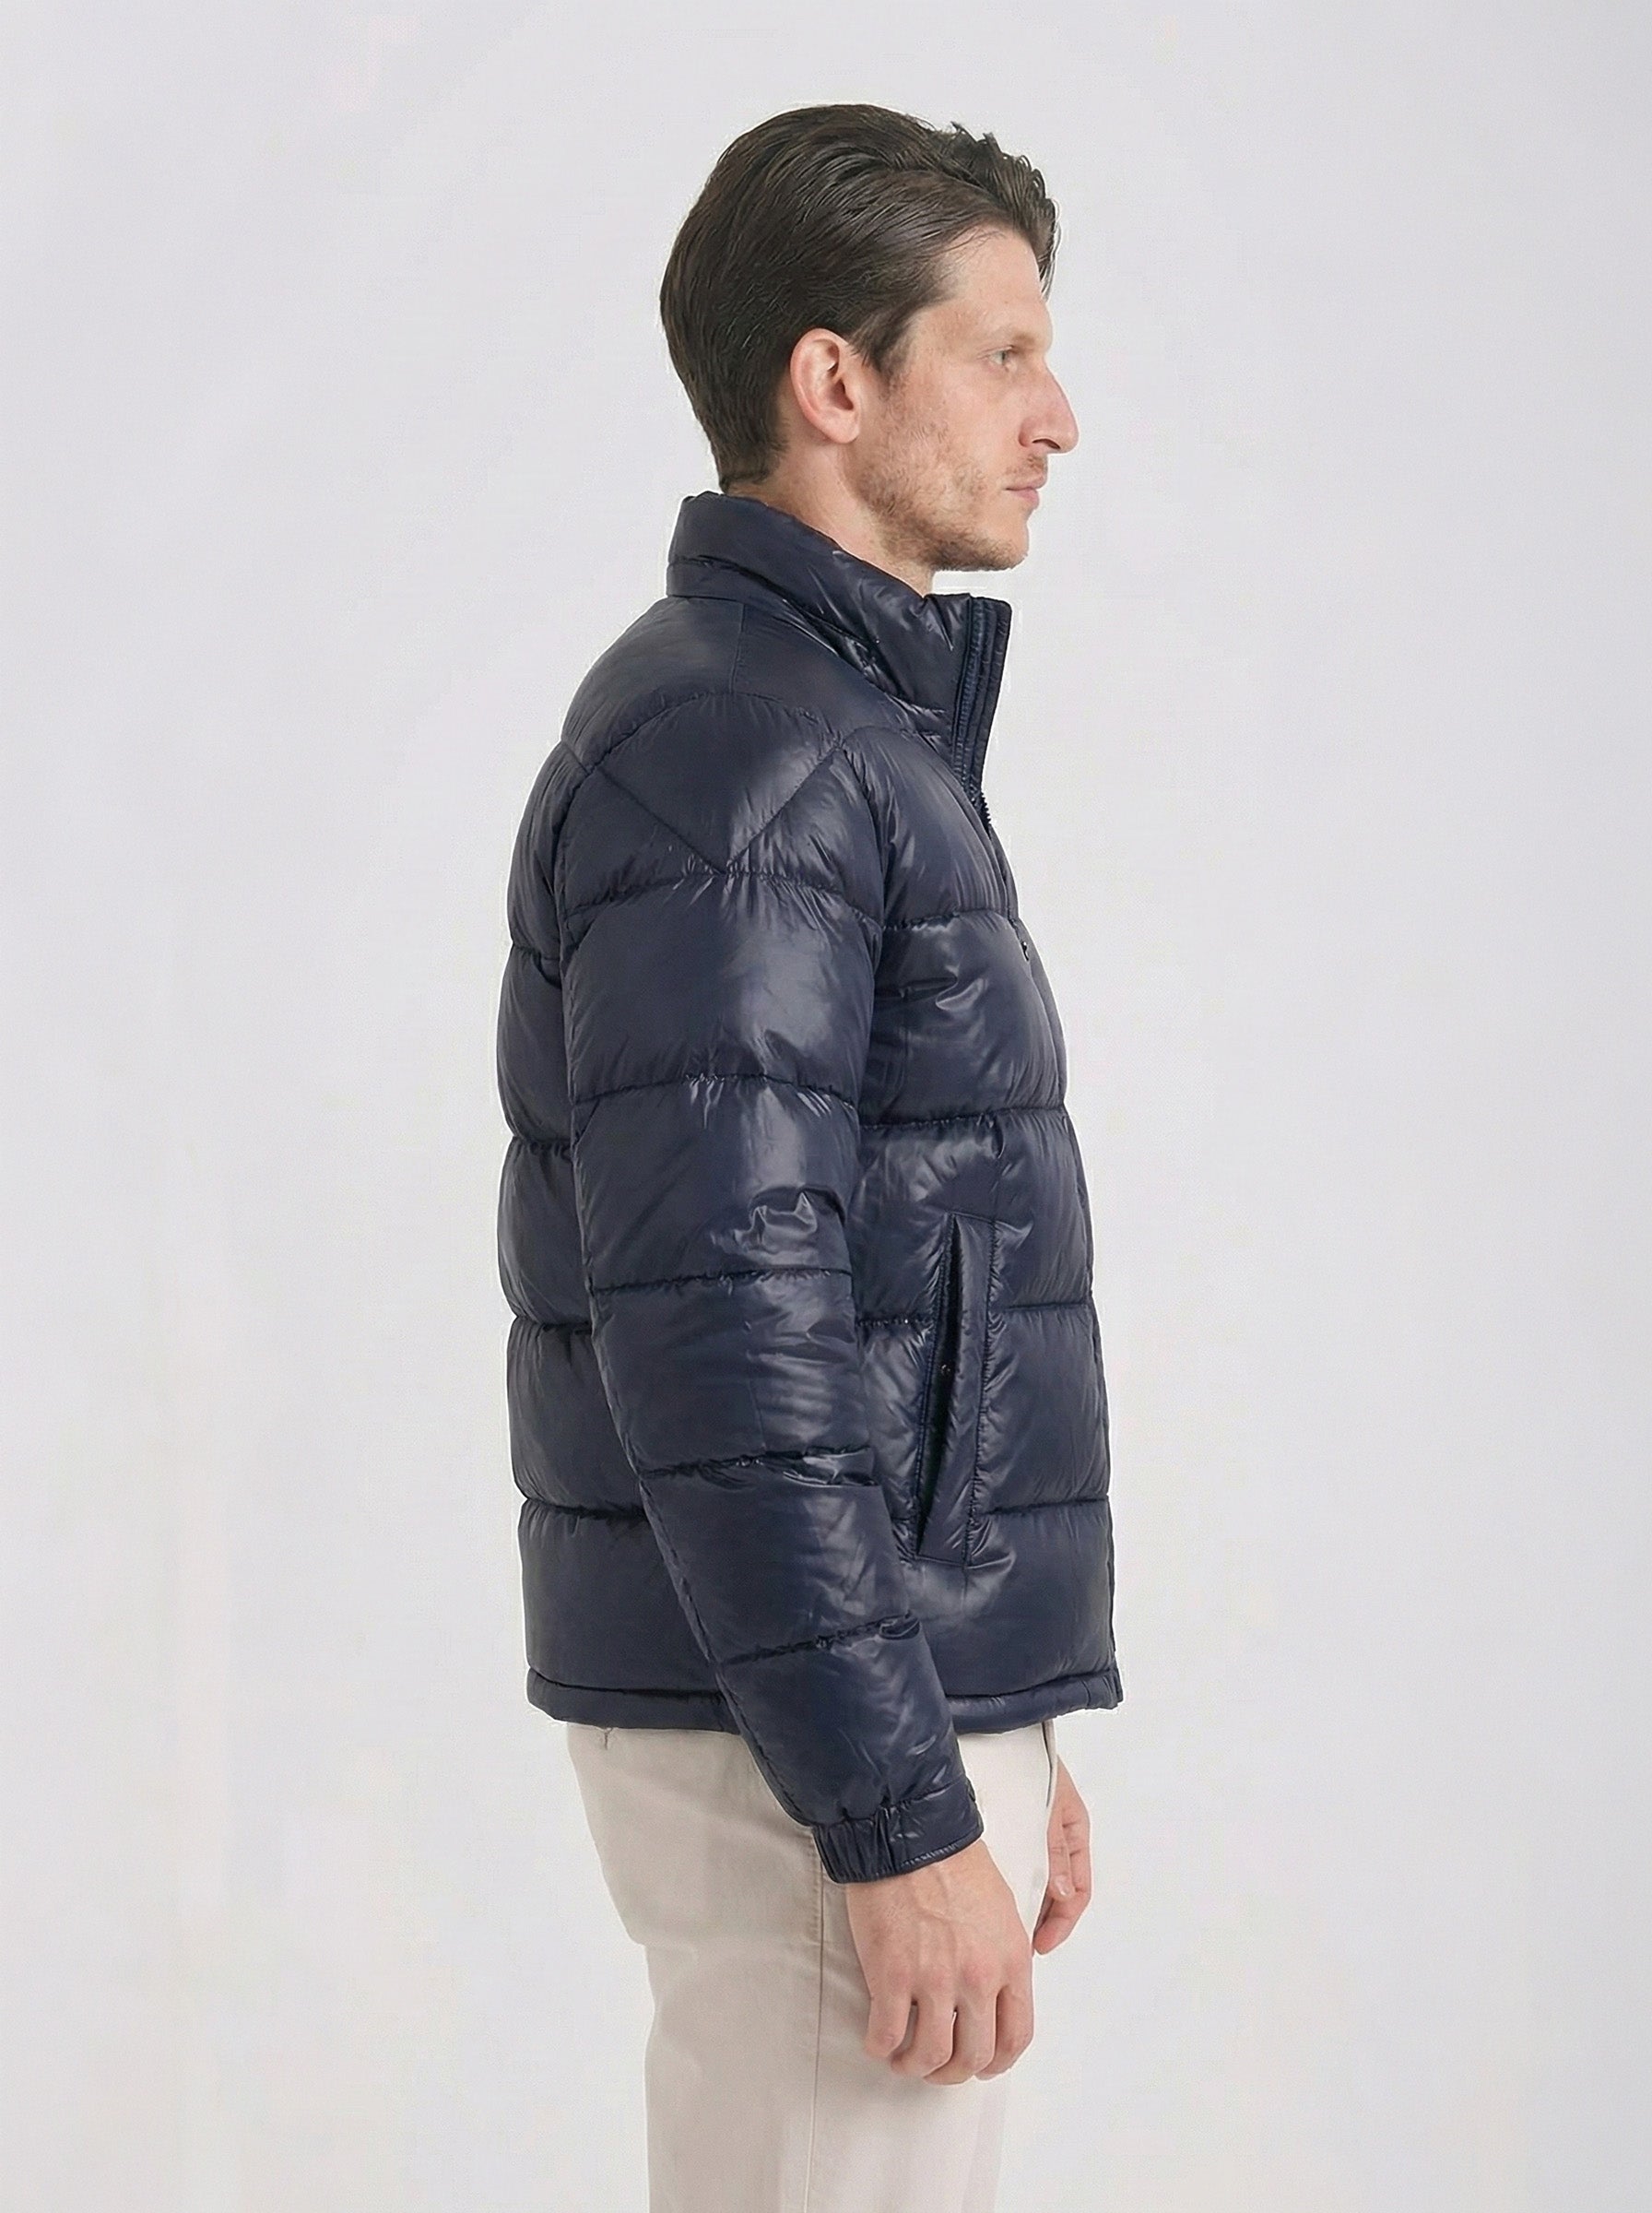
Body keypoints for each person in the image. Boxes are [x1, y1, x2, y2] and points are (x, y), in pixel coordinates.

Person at [494, 101, 1123, 2213]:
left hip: (856, 1692)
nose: (1054, 416)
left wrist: (992, 1714)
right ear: (832, 382)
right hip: (809, 1734)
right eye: (1000, 352)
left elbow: (888, 1279)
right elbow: (726, 1321)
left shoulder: (806, 733)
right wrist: (889, 1793)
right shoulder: (749, 754)